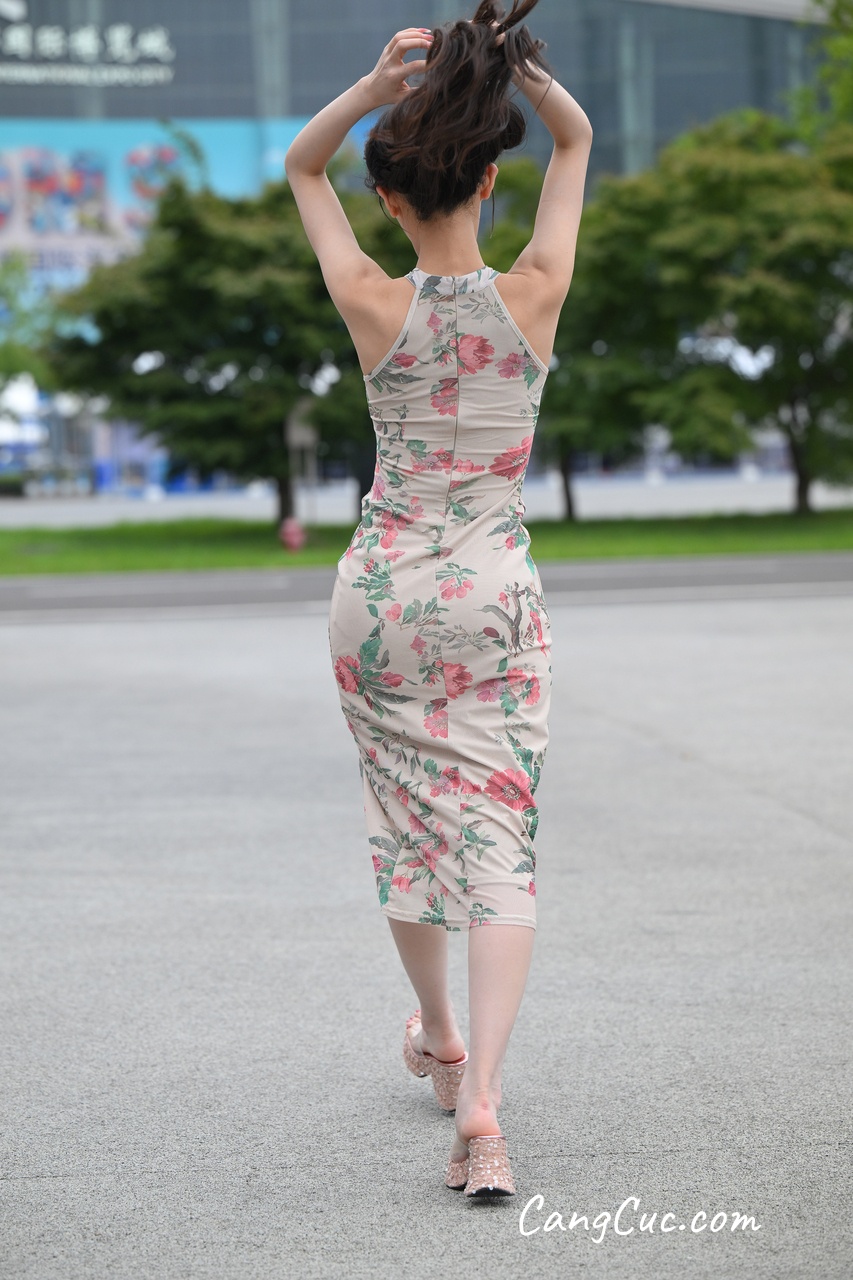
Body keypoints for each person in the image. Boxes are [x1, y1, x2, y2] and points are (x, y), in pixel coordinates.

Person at [285, 0, 591, 1198]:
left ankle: (439, 1032)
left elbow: (300, 165)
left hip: (380, 596)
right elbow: (574, 142)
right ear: (487, 182)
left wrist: (372, 89)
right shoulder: (537, 291)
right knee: (497, 832)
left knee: (406, 818)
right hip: (493, 593)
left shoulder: (373, 299)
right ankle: (482, 1105)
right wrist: (521, 71)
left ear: (391, 200)